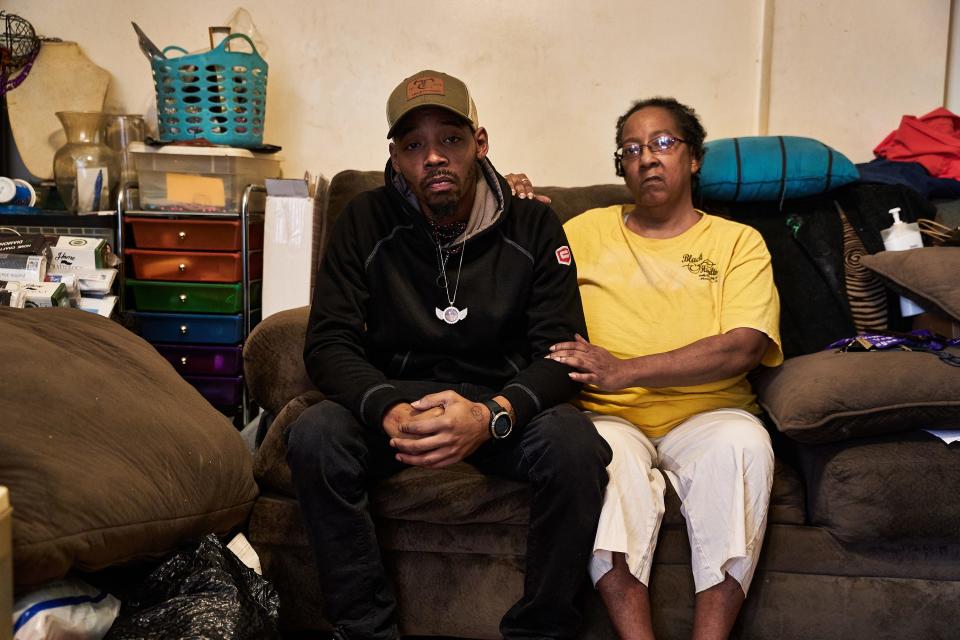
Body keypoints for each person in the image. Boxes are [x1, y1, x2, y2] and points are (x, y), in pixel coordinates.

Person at [284, 69, 612, 640]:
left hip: (497, 404)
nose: (433, 157)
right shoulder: (363, 220)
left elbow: (562, 353)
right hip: (399, 404)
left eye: (450, 140)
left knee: (575, 445)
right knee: (314, 435)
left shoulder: (533, 223)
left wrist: (492, 415)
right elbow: (329, 340)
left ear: (479, 144)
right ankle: (365, 629)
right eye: (414, 145)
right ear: (395, 155)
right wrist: (385, 407)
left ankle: (542, 631)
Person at [510, 97, 783, 640]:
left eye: (663, 143)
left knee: (744, 447)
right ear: (621, 165)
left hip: (710, 414)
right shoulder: (583, 230)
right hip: (606, 415)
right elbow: (516, 267)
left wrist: (625, 370)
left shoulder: (737, 243)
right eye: (632, 149)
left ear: (694, 157)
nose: (647, 159)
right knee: (600, 463)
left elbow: (744, 345)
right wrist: (517, 203)